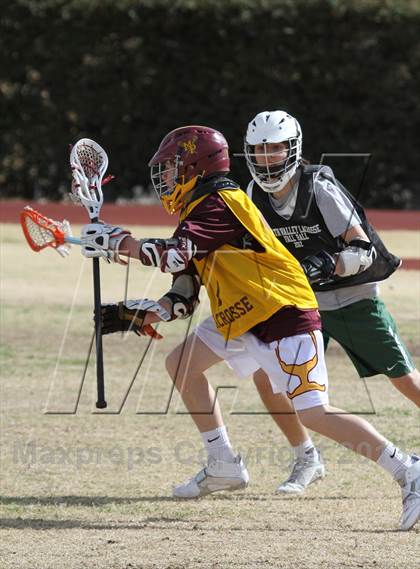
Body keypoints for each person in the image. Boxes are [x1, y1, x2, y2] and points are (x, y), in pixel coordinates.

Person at [79, 125, 420, 531]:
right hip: (242, 315)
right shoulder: (197, 211)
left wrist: (119, 242)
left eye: (171, 168)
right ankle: (222, 463)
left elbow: (172, 256)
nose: (165, 178)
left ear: (194, 165)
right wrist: (147, 313)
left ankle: (409, 470)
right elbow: (185, 288)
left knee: (313, 412)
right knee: (183, 363)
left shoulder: (221, 201)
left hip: (282, 311)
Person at [238, 109, 420, 494]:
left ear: (293, 149)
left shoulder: (318, 186)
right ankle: (306, 457)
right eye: (259, 150)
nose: (267, 158)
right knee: (267, 379)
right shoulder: (254, 195)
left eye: (275, 149)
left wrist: (327, 264)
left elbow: (363, 249)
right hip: (306, 305)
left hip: (353, 299)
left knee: (403, 379)